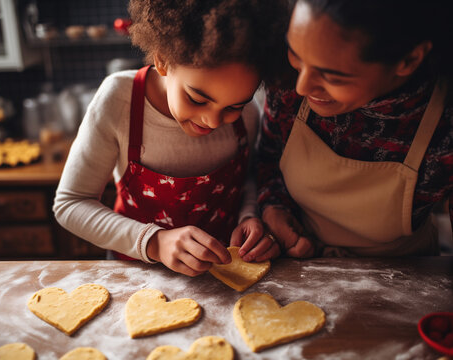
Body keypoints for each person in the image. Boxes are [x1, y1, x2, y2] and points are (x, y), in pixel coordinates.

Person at [53, 0, 289, 276]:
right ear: (163, 60)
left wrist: (249, 216)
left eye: (233, 106)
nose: (212, 121)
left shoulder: (248, 115)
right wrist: (154, 242)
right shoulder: (120, 100)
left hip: (222, 278)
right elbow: (70, 204)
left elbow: (248, 180)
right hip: (135, 276)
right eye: (197, 99)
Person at [256, 0, 453, 258]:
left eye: (332, 76)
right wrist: (274, 208)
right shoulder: (286, 80)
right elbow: (269, 159)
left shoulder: (445, 123)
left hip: (406, 275)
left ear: (408, 60)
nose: (302, 87)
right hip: (295, 262)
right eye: (296, 55)